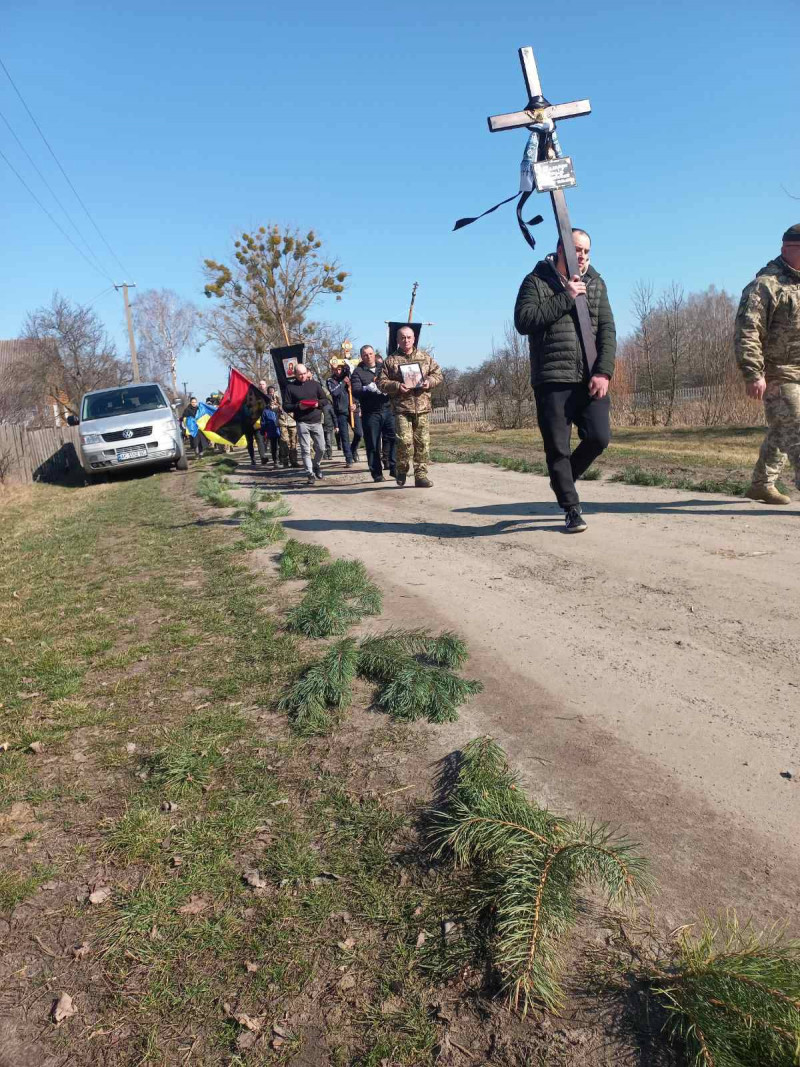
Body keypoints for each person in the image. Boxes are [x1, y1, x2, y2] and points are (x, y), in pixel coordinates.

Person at [514, 227, 616, 533]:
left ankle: (562, 479)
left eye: (586, 251)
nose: (582, 256)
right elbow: (524, 321)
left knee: (599, 437)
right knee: (558, 447)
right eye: (576, 250)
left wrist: (604, 371)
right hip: (552, 378)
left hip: (589, 377)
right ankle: (571, 508)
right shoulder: (536, 281)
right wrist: (566, 296)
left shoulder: (596, 283)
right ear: (561, 250)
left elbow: (608, 330)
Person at [735, 224, 800, 505]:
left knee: (782, 428)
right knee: (796, 428)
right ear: (789, 248)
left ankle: (761, 484)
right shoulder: (766, 285)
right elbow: (748, 330)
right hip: (778, 374)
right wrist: (753, 373)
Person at [379, 326, 443, 488]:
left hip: (422, 407)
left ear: (414, 339)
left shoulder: (425, 357)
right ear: (397, 340)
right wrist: (397, 386)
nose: (406, 340)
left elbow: (438, 374)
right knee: (404, 442)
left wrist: (430, 382)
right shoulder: (390, 361)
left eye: (409, 337)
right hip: (402, 408)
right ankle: (401, 469)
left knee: (422, 443)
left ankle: (421, 475)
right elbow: (381, 382)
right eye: (402, 337)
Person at [351, 344, 396, 481]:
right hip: (371, 413)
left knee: (394, 438)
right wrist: (367, 388)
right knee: (373, 443)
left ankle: (394, 467)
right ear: (362, 356)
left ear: (374, 353)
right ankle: (376, 473)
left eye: (370, 353)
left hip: (388, 408)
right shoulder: (358, 372)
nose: (368, 356)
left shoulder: (382, 368)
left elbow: (393, 381)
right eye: (365, 354)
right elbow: (356, 391)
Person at [284, 364, 329, 485]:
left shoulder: (315, 384)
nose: (303, 376)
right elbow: (286, 406)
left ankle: (316, 465)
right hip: (302, 422)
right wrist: (298, 406)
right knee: (305, 449)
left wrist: (317, 404)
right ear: (295, 374)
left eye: (304, 373)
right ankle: (310, 474)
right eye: (300, 374)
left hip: (316, 420)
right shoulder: (290, 387)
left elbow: (325, 400)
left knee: (321, 447)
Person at [326, 360, 356, 466]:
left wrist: (356, 404)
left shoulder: (348, 376)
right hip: (340, 410)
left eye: (339, 369)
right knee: (344, 436)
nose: (337, 371)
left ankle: (353, 450)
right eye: (335, 369)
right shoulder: (330, 380)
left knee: (359, 433)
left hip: (352, 409)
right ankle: (349, 458)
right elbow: (335, 392)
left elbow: (356, 390)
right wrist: (343, 382)